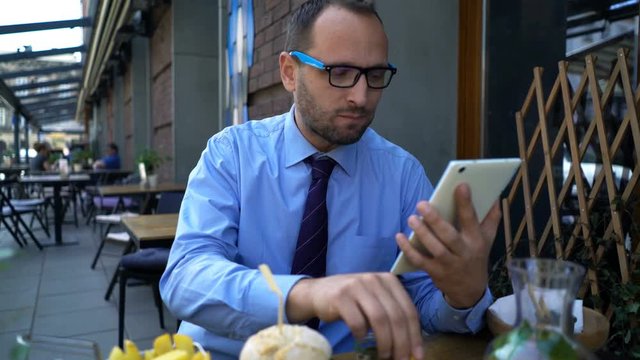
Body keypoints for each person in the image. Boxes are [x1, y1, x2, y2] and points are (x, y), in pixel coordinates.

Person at [160, 1, 500, 359]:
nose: (361, 96)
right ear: (290, 72)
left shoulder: (401, 174)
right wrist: (305, 294)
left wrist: (462, 296)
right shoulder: (232, 154)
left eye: (375, 75)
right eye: (339, 72)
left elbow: (423, 300)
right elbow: (186, 276)